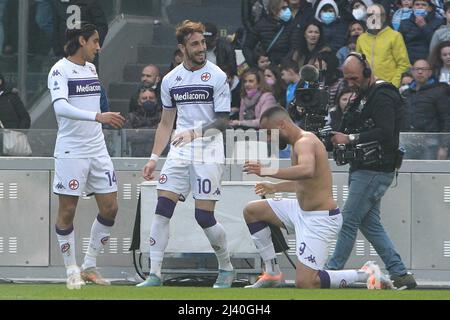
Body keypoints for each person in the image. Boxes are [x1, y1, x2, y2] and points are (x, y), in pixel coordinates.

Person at [242, 106, 393, 289]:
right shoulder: (296, 143)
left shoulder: (305, 141)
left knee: (306, 283)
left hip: (320, 218)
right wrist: (275, 187)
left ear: (281, 124)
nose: (268, 138)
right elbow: (304, 181)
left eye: (269, 133)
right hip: (300, 210)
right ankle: (272, 273)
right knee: (252, 210)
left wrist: (266, 171)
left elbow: (307, 170)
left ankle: (366, 273)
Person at [137, 20, 234, 289]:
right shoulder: (170, 80)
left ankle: (226, 267)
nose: (202, 48)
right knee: (162, 208)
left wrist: (193, 133)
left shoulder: (217, 76)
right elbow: (166, 123)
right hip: (179, 151)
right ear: (182, 48)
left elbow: (223, 121)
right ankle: (155, 273)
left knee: (203, 217)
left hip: (209, 149)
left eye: (203, 42)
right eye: (195, 44)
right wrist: (154, 158)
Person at [325, 52, 417, 290]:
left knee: (348, 221)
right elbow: (344, 129)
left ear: (367, 72)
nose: (351, 84)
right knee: (370, 224)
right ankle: (400, 273)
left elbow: (386, 132)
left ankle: (332, 272)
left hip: (375, 168)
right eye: (347, 79)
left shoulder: (383, 93)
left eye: (354, 78)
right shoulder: (360, 97)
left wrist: (351, 138)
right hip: (363, 168)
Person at [47, 23, 125, 290]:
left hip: (97, 148)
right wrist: (98, 117)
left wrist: (103, 116)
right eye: (94, 41)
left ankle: (89, 265)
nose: (98, 47)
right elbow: (61, 107)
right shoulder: (59, 70)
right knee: (67, 210)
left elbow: (94, 103)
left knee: (110, 207)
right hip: (72, 150)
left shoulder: (91, 69)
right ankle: (71, 269)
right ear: (81, 41)